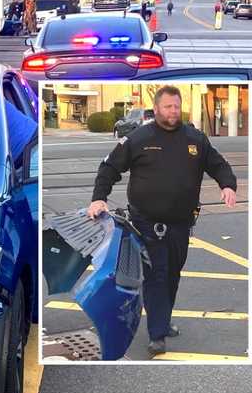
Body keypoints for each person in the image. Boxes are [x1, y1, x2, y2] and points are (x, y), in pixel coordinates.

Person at [87, 85, 237, 357]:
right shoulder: (139, 138)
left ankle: (163, 321)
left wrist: (228, 185)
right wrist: (99, 198)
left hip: (181, 223)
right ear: (156, 109)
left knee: (172, 274)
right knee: (156, 275)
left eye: (177, 106)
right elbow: (109, 167)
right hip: (147, 223)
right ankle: (157, 334)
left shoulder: (195, 139)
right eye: (168, 107)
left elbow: (218, 164)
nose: (173, 111)